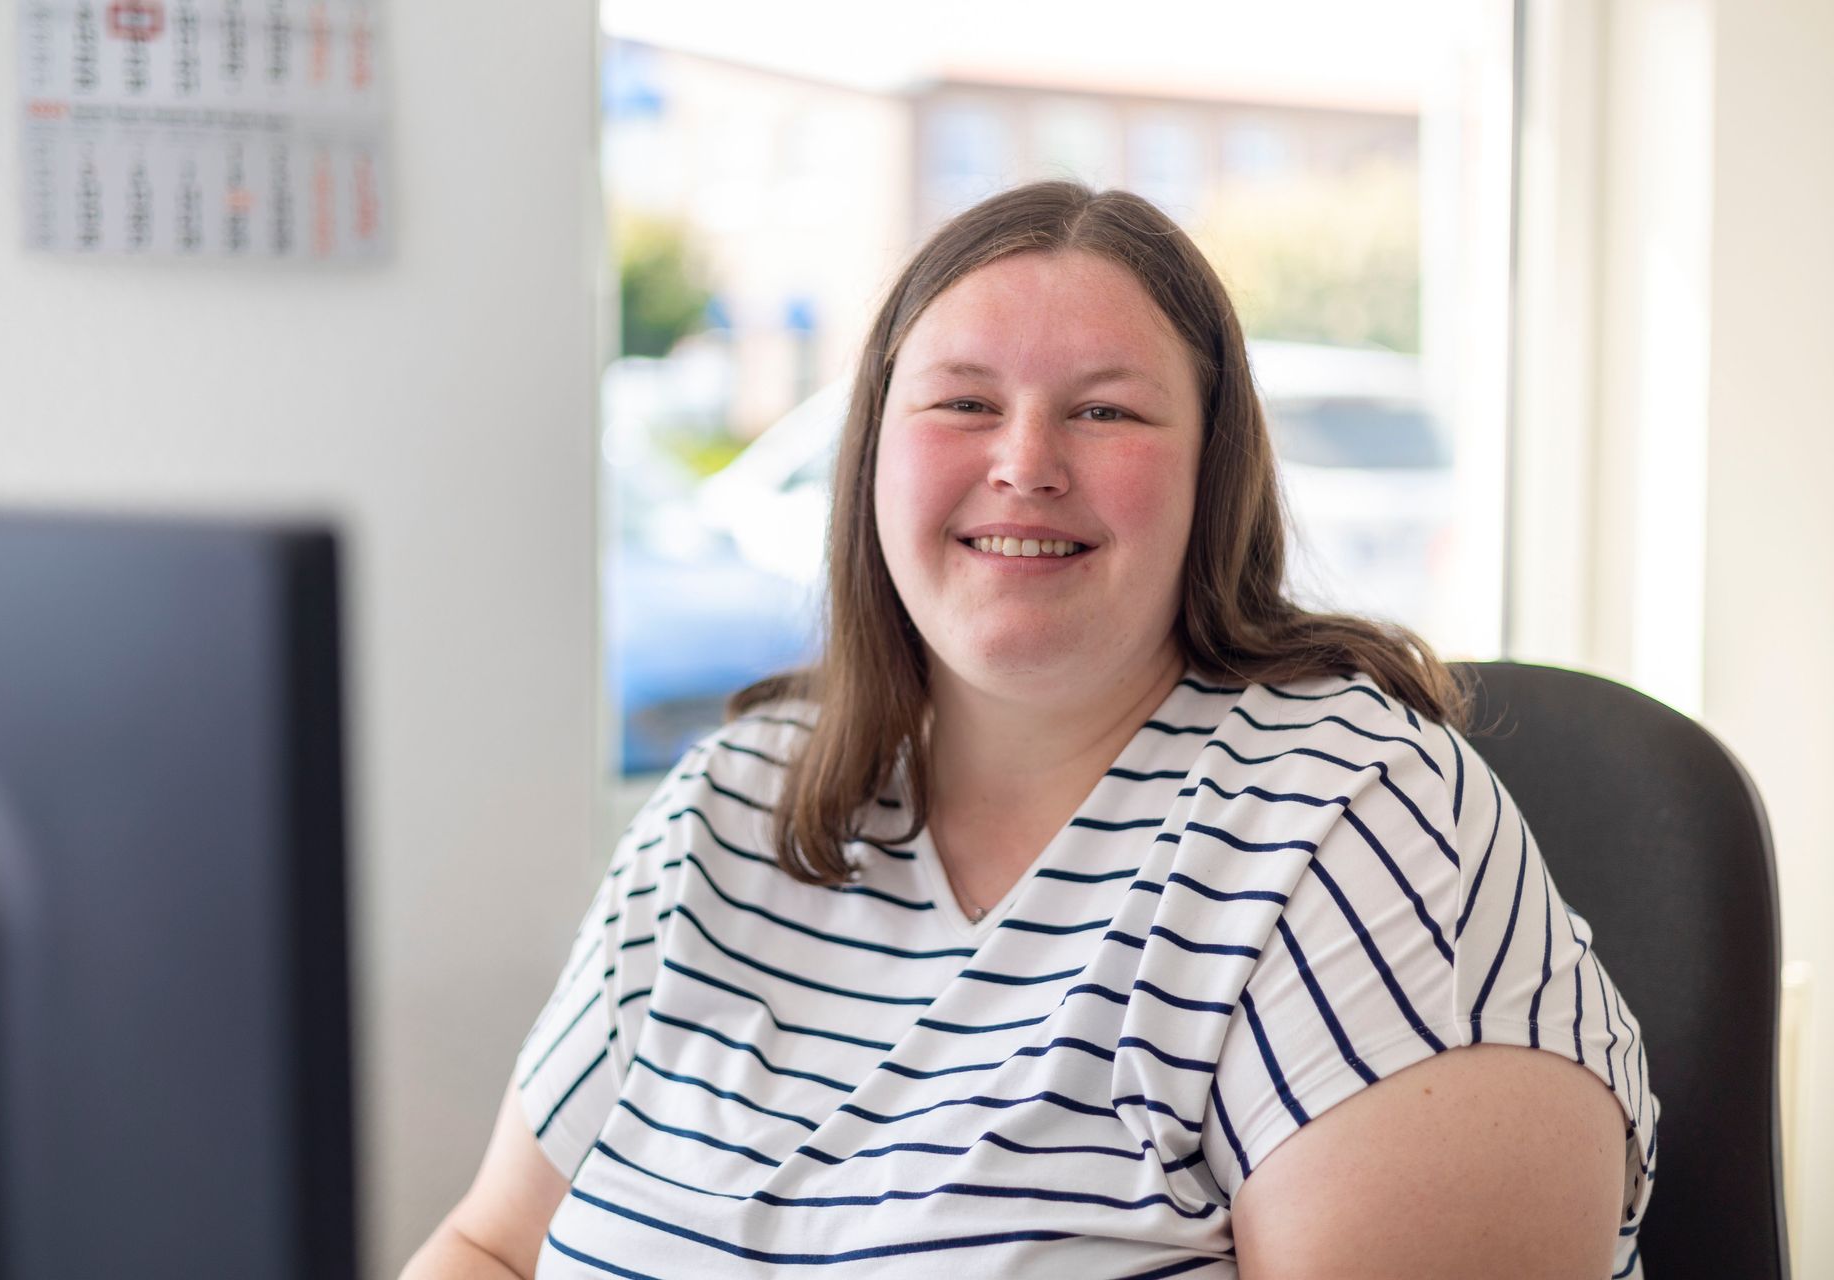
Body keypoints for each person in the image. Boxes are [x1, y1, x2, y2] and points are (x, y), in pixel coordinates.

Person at [404, 181, 1658, 1279]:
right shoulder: (727, 804)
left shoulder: (1352, 822)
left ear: (1212, 473)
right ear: (872, 459)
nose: (1026, 461)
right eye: (961, 401)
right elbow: (493, 1246)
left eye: (1106, 412)